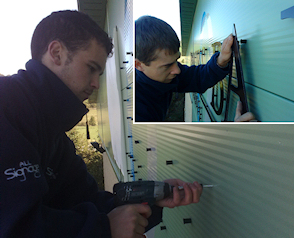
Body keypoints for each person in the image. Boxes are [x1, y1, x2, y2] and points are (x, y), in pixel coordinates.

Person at [0, 10, 202, 238]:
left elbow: (86, 200)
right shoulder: (7, 106)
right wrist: (104, 228)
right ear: (56, 53)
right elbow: (15, 227)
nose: (96, 84)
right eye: (91, 68)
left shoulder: (55, 137)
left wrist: (153, 197)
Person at [135, 15, 254, 123]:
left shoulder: (163, 74)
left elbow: (197, 77)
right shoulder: (133, 110)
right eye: (167, 66)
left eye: (176, 60)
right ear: (138, 65)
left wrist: (221, 61)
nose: (177, 70)